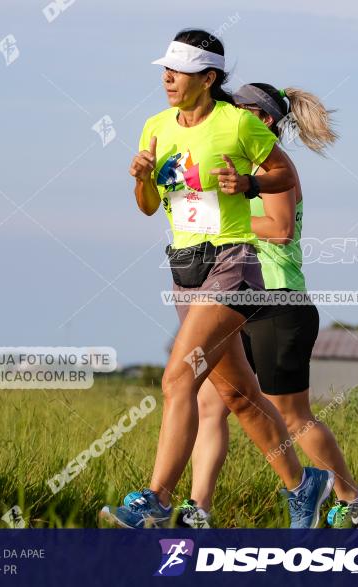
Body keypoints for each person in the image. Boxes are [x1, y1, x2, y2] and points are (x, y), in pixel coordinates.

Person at [99, 29, 334, 529]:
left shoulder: (236, 124)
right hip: (184, 269)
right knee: (239, 397)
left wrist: (247, 182)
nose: (167, 78)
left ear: (207, 78)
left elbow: (285, 176)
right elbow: (147, 209)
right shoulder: (155, 126)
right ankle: (303, 484)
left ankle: (158, 498)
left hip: (232, 266)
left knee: (178, 377)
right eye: (164, 69)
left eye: (178, 71)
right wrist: (141, 178)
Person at [170, 82, 358, 529]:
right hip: (230, 297)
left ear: (263, 121)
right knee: (211, 404)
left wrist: (218, 217)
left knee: (292, 414)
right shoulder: (231, 165)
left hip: (276, 300)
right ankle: (198, 510)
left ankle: (352, 498)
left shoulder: (270, 169)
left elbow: (281, 228)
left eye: (239, 112)